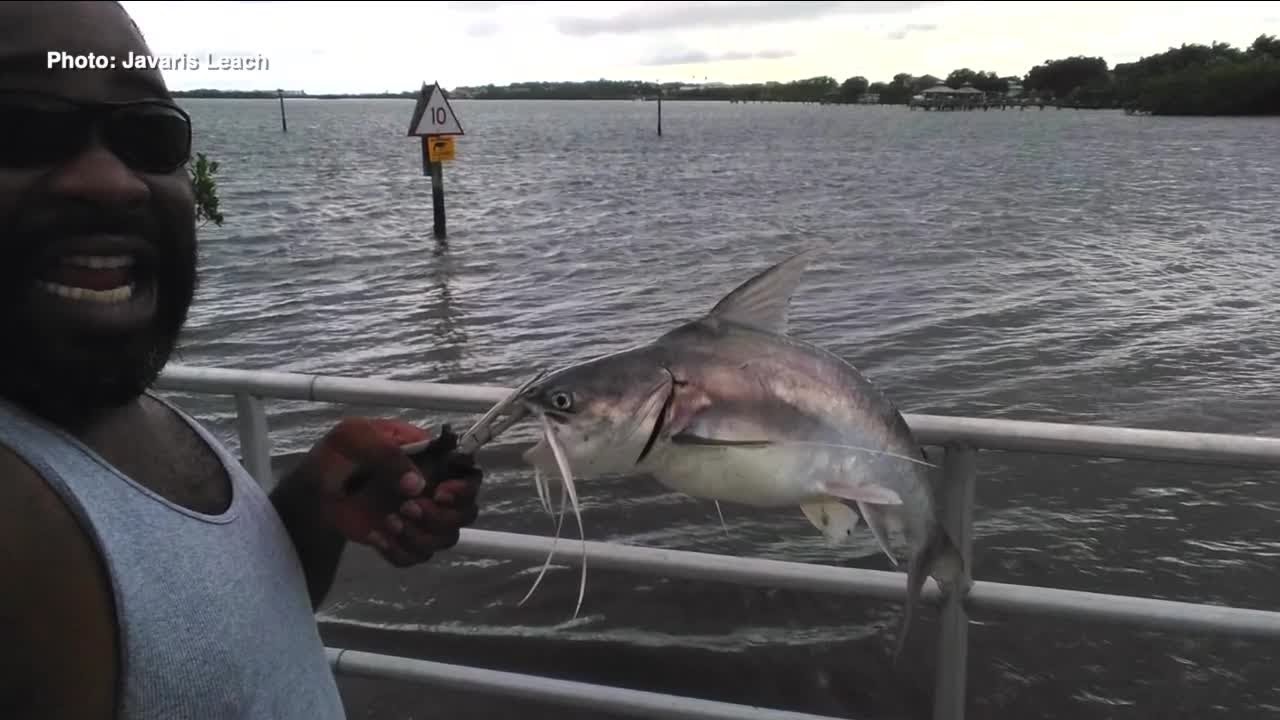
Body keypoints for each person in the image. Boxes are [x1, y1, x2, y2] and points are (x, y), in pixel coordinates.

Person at [0, 2, 483, 718]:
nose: (113, 181)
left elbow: (224, 644)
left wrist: (311, 508)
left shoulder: (111, 405)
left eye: (148, 133)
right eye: (20, 125)